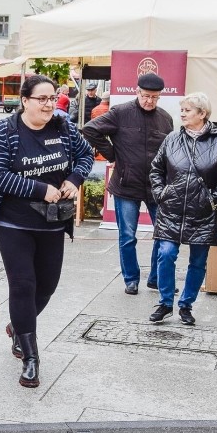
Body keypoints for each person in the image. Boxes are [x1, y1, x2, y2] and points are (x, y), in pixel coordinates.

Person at [0, 75, 94, 388]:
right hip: (13, 222)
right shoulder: (6, 130)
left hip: (52, 222)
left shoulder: (63, 126)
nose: (49, 104)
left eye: (52, 98)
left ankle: (18, 326)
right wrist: (38, 189)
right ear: (25, 101)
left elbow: (85, 155)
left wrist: (74, 179)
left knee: (47, 287)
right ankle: (31, 357)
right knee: (23, 286)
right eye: (41, 99)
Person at [148, 92, 217, 325]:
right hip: (172, 209)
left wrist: (214, 197)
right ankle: (165, 303)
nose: (182, 113)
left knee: (198, 261)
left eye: (188, 110)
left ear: (202, 114)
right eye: (182, 109)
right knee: (166, 253)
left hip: (203, 211)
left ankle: (186, 305)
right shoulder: (171, 139)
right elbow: (156, 169)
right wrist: (161, 193)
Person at [82, 73, 174, 295]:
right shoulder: (121, 113)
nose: (149, 101)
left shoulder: (165, 118)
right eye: (146, 96)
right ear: (137, 92)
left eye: (154, 97)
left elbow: (170, 150)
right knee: (127, 236)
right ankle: (131, 279)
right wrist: (113, 154)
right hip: (126, 183)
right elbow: (90, 129)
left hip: (156, 186)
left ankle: (155, 278)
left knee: (163, 235)